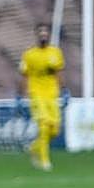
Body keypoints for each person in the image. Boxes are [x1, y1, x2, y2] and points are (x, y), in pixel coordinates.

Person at [19, 23, 65, 171]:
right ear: (37, 35)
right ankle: (45, 161)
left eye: (45, 33)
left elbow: (58, 73)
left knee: (55, 130)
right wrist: (22, 94)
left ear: (49, 35)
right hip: (37, 94)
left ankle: (34, 148)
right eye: (41, 33)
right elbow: (24, 76)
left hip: (52, 94)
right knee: (44, 125)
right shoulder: (29, 55)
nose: (43, 35)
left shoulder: (55, 53)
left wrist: (63, 90)